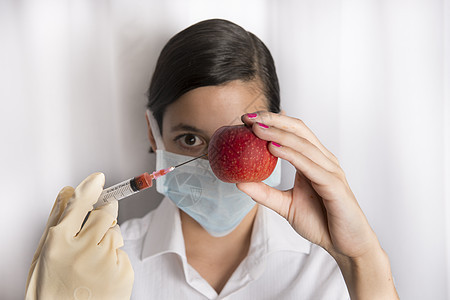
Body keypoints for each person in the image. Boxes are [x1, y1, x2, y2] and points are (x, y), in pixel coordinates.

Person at [25, 19, 399, 299]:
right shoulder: (100, 270)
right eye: (189, 139)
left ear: (279, 130)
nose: (215, 167)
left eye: (238, 137)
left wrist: (362, 258)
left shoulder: (328, 266)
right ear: (152, 135)